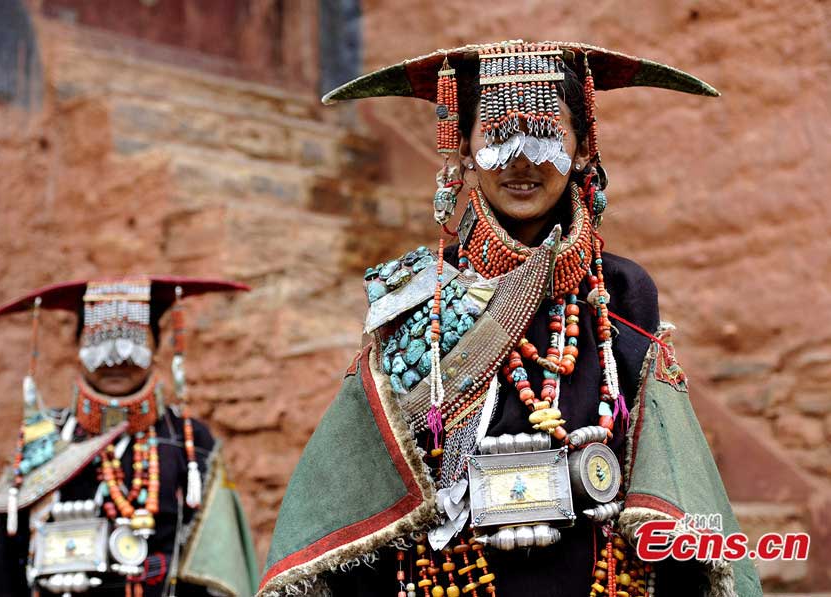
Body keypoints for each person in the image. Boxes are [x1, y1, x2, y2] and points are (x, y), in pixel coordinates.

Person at [259, 41, 761, 597]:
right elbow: (356, 497)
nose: (522, 161)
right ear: (465, 151)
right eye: (498, 136)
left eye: (546, 134)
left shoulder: (620, 296)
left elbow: (670, 488)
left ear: (582, 148)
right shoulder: (417, 302)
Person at [0, 276, 259, 597]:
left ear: (158, 347)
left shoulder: (188, 442)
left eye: (133, 345)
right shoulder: (43, 438)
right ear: (77, 349)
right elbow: (7, 565)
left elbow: (211, 569)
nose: (116, 361)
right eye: (99, 345)